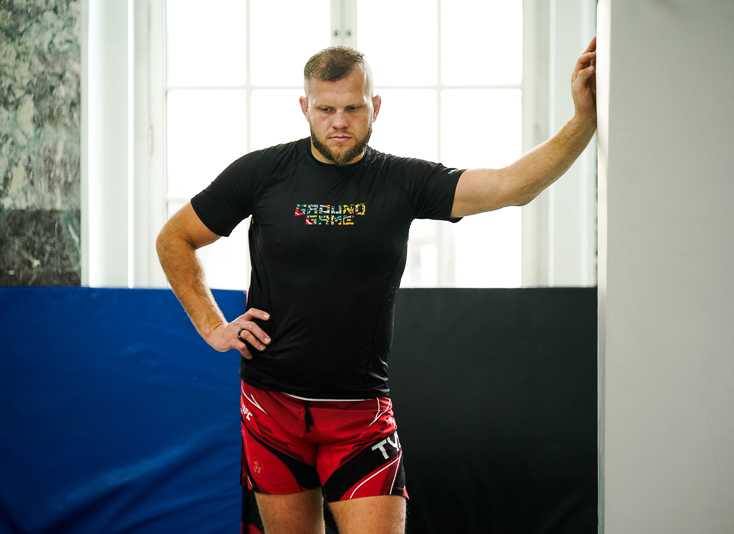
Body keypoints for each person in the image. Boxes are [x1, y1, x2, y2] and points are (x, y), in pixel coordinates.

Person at [157, 39, 597, 534]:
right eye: (325, 109)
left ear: (375, 107)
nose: (339, 122)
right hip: (271, 407)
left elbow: (510, 186)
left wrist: (583, 120)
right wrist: (212, 325)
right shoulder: (262, 173)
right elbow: (175, 238)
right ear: (304, 107)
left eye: (353, 108)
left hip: (360, 416)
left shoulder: (401, 180)